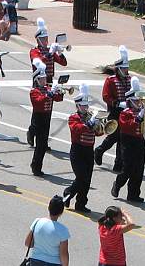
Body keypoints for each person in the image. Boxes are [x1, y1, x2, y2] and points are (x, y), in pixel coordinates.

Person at [111, 77, 145, 203]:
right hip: (128, 143)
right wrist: (139, 118)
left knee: (139, 170)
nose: (140, 103)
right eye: (137, 101)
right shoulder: (125, 113)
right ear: (130, 101)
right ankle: (118, 184)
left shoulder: (142, 112)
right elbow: (127, 126)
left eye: (140, 101)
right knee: (128, 169)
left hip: (140, 142)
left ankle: (133, 194)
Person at [63, 84, 101, 213]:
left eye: (86, 105)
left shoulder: (90, 116)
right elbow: (76, 129)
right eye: (83, 106)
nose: (86, 108)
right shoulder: (74, 117)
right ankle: (68, 193)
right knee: (81, 177)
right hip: (77, 150)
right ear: (78, 106)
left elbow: (99, 133)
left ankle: (81, 203)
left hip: (89, 151)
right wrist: (88, 125)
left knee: (87, 179)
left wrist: (98, 125)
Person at [96, 46, 131, 172]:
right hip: (115, 111)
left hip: (126, 112)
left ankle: (118, 164)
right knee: (114, 136)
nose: (127, 71)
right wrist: (116, 103)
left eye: (127, 68)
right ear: (119, 69)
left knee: (123, 138)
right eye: (124, 68)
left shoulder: (130, 79)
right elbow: (106, 96)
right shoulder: (110, 80)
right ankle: (99, 150)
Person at [29, 59, 64, 176]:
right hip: (38, 117)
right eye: (42, 79)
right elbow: (38, 102)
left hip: (47, 117)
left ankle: (37, 165)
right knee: (39, 144)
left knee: (43, 145)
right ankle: (35, 166)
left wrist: (59, 91)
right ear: (37, 80)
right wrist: (49, 94)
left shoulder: (47, 89)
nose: (45, 80)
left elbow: (58, 99)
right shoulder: (34, 91)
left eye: (45, 78)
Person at [24, 195, 70, 266]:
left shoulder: (37, 222)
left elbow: (27, 243)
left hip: (35, 261)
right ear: (61, 212)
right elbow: (63, 254)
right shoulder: (63, 230)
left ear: (48, 208)